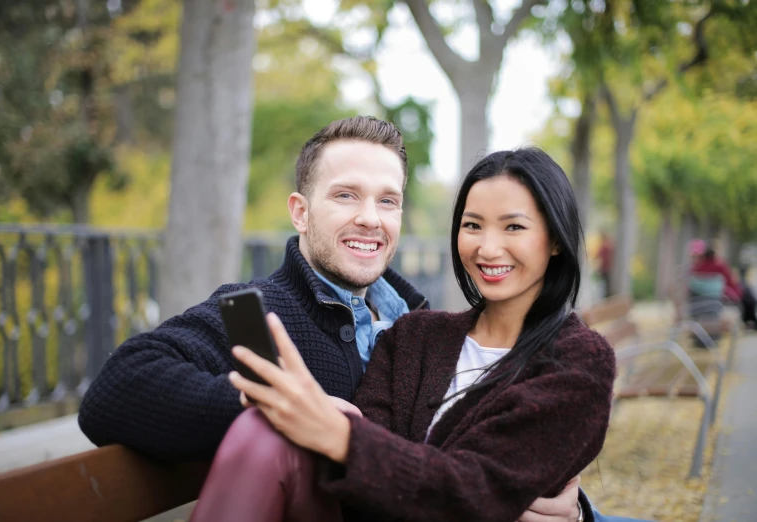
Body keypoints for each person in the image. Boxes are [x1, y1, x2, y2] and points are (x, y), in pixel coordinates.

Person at [78, 118, 595, 521]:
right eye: (346, 195)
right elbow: (117, 390)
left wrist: (571, 509)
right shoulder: (257, 315)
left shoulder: (421, 324)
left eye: (387, 201)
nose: (369, 217)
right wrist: (282, 404)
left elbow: (472, 464)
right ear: (300, 212)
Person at [190, 148, 629, 522]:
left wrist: (341, 436)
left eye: (513, 227)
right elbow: (371, 489)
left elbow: (478, 486)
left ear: (555, 240)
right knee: (260, 428)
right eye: (472, 225)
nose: (487, 248)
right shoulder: (415, 336)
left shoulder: (580, 362)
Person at [595, 232, 614, 298]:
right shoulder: (609, 246)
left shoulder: (604, 246)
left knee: (604, 283)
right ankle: (608, 296)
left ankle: (606, 296)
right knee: (607, 283)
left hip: (605, 268)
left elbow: (597, 255)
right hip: (608, 268)